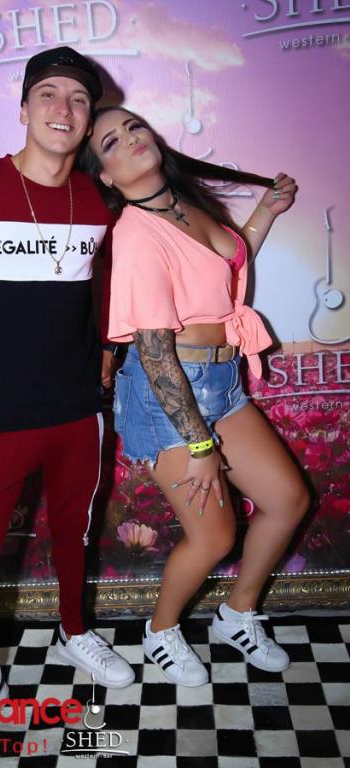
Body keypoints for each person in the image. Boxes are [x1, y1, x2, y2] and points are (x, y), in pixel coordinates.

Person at [0, 49, 134, 758]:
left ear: (88, 118)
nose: (63, 109)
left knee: (73, 534)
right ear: (23, 109)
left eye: (78, 99)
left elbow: (109, 287)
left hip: (76, 413)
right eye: (48, 94)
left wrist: (108, 348)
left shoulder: (99, 199)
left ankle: (75, 632)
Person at [79, 106, 309, 686]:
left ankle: (236, 614)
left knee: (286, 500)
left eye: (134, 127)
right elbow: (156, 354)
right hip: (168, 394)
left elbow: (225, 261)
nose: (130, 139)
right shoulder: (136, 233)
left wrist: (265, 212)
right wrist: (201, 445)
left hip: (221, 381)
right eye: (111, 142)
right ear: (105, 175)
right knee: (215, 536)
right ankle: (161, 630)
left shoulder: (187, 206)